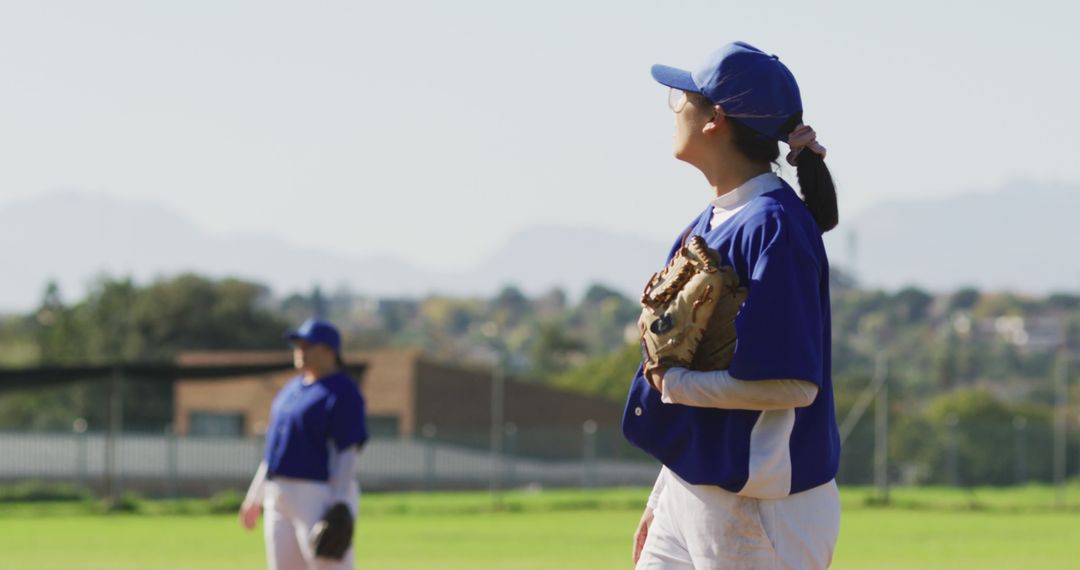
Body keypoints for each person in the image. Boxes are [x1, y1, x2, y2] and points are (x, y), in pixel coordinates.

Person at [622, 42, 841, 570]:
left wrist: (677, 386)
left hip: (765, 501)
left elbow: (794, 384)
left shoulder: (776, 227)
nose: (676, 109)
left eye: (683, 98)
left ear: (716, 118)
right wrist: (663, 496)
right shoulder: (712, 221)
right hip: (697, 486)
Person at [239, 318, 369, 570]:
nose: (300, 351)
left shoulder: (343, 391)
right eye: (298, 345)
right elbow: (275, 450)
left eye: (308, 345)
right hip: (278, 492)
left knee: (328, 565)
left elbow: (347, 451)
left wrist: (340, 503)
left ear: (329, 351)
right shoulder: (291, 389)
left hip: (317, 493)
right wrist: (255, 495)